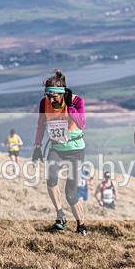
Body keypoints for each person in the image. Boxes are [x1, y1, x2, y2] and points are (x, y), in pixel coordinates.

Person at [32, 70, 88, 236]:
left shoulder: (77, 101)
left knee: (70, 194)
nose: (50, 99)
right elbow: (41, 124)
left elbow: (82, 123)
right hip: (56, 147)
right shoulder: (44, 103)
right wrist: (37, 147)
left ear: (62, 93)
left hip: (75, 149)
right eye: (48, 95)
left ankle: (81, 225)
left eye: (54, 96)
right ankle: (60, 216)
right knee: (51, 179)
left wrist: (70, 106)